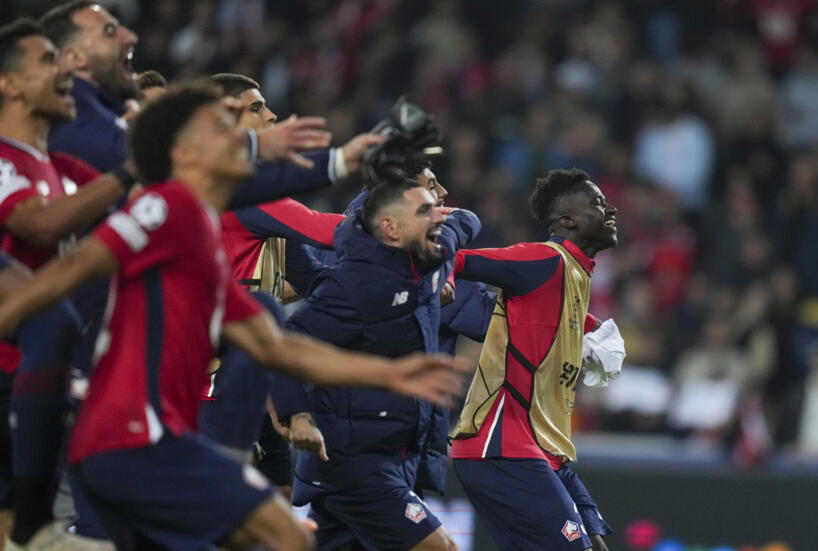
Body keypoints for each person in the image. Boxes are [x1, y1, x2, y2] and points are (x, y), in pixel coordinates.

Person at [0, 84, 468, 551]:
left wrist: (392, 372)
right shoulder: (164, 207)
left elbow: (273, 344)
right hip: (130, 437)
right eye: (222, 130)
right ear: (186, 154)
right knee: (281, 535)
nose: (239, 140)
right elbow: (74, 267)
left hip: (150, 437)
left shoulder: (200, 232)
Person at [0, 18, 146, 549]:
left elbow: (134, 202)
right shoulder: (2, 160)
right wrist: (135, 168)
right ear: (9, 84)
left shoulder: (59, 166)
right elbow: (40, 223)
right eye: (46, 61)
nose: (64, 69)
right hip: (9, 382)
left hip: (49, 383)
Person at [277, 173, 480, 551]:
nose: (439, 218)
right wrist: (297, 415)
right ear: (389, 227)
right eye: (425, 211)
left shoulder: (428, 260)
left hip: (390, 453)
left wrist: (447, 226)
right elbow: (287, 344)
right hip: (353, 462)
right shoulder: (354, 285)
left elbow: (466, 221)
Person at [202, 72, 381, 495]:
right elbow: (325, 230)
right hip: (212, 387)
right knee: (214, 521)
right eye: (256, 107)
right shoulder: (242, 191)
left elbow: (315, 278)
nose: (272, 114)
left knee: (276, 515)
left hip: (258, 381)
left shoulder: (258, 205)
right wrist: (399, 226)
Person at [450, 168, 617, 551]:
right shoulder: (547, 260)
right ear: (567, 220)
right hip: (499, 447)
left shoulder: (577, 280)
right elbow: (458, 260)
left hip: (537, 452)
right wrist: (439, 275)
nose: (610, 209)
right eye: (596, 202)